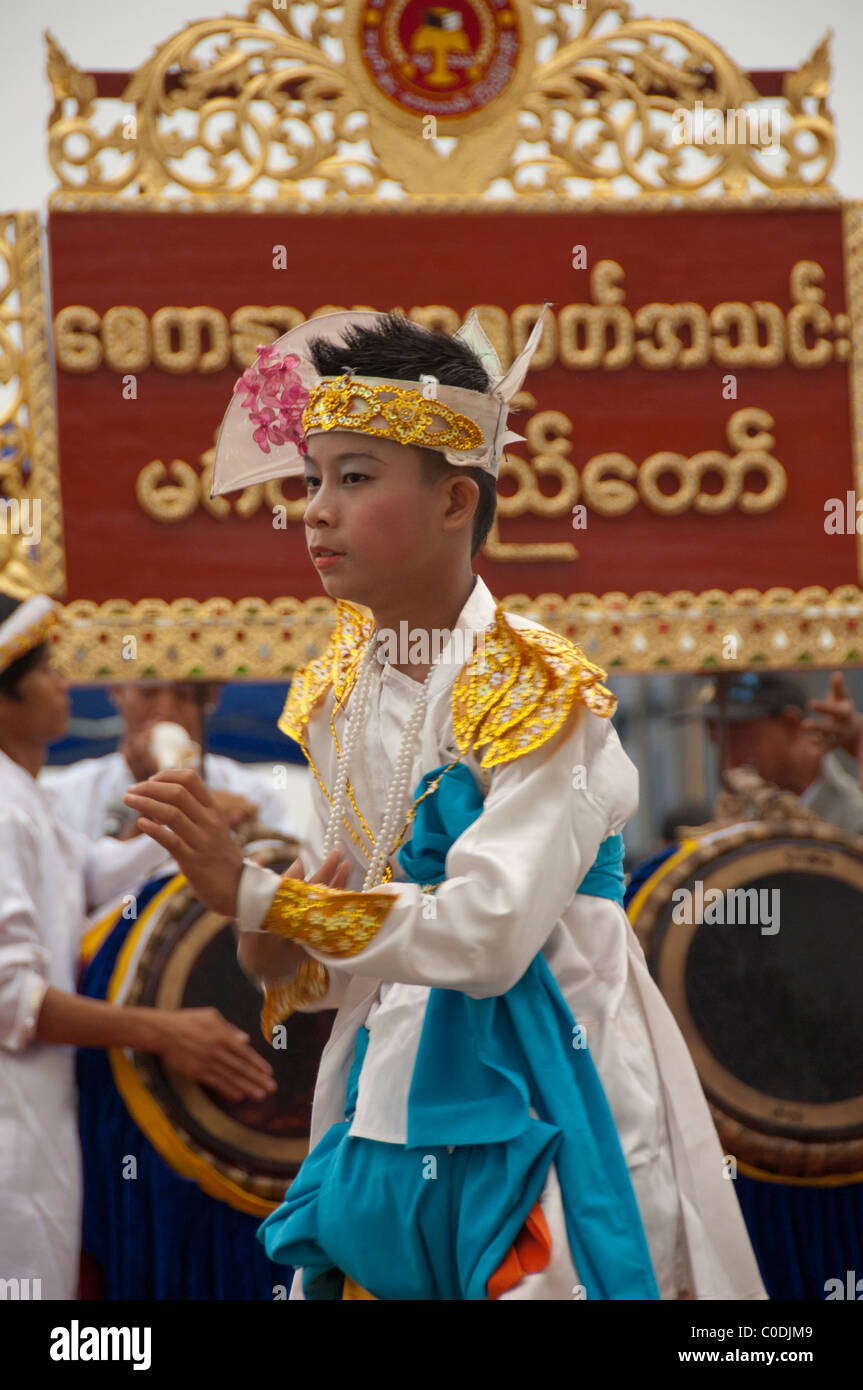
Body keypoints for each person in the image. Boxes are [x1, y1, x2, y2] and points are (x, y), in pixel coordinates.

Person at [124, 309, 766, 1301]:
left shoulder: (538, 690)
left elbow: (482, 935)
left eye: (353, 477)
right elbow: (357, 945)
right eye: (309, 480)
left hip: (551, 1081)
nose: (313, 511)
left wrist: (261, 899)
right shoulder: (338, 688)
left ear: (453, 499)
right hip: (387, 1094)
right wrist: (269, 946)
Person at [0, 593, 276, 1300]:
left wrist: (184, 820)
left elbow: (88, 874)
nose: (66, 685)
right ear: (8, 698)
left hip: (47, 1109)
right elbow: (10, 999)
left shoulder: (21, 794)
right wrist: (163, 1032)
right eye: (49, 673)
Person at [46, 679, 299, 842]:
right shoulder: (67, 795)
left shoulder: (253, 794)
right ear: (116, 689)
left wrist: (246, 834)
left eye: (183, 694)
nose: (165, 711)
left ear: (211, 697)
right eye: (148, 692)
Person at [695, 671, 863, 837]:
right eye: (719, 745)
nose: (732, 762)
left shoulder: (854, 817)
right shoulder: (740, 813)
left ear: (790, 724)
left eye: (741, 741)